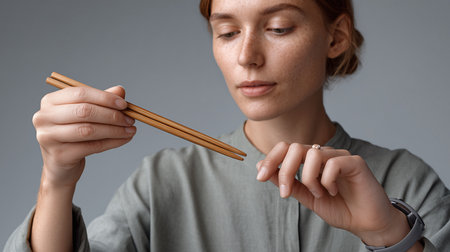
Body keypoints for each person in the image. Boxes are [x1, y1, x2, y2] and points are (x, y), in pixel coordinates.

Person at [5, 0, 449, 251]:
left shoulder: (408, 182)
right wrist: (56, 182)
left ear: (335, 37)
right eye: (227, 32)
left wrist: (390, 236)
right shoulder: (164, 183)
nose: (247, 57)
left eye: (277, 27)